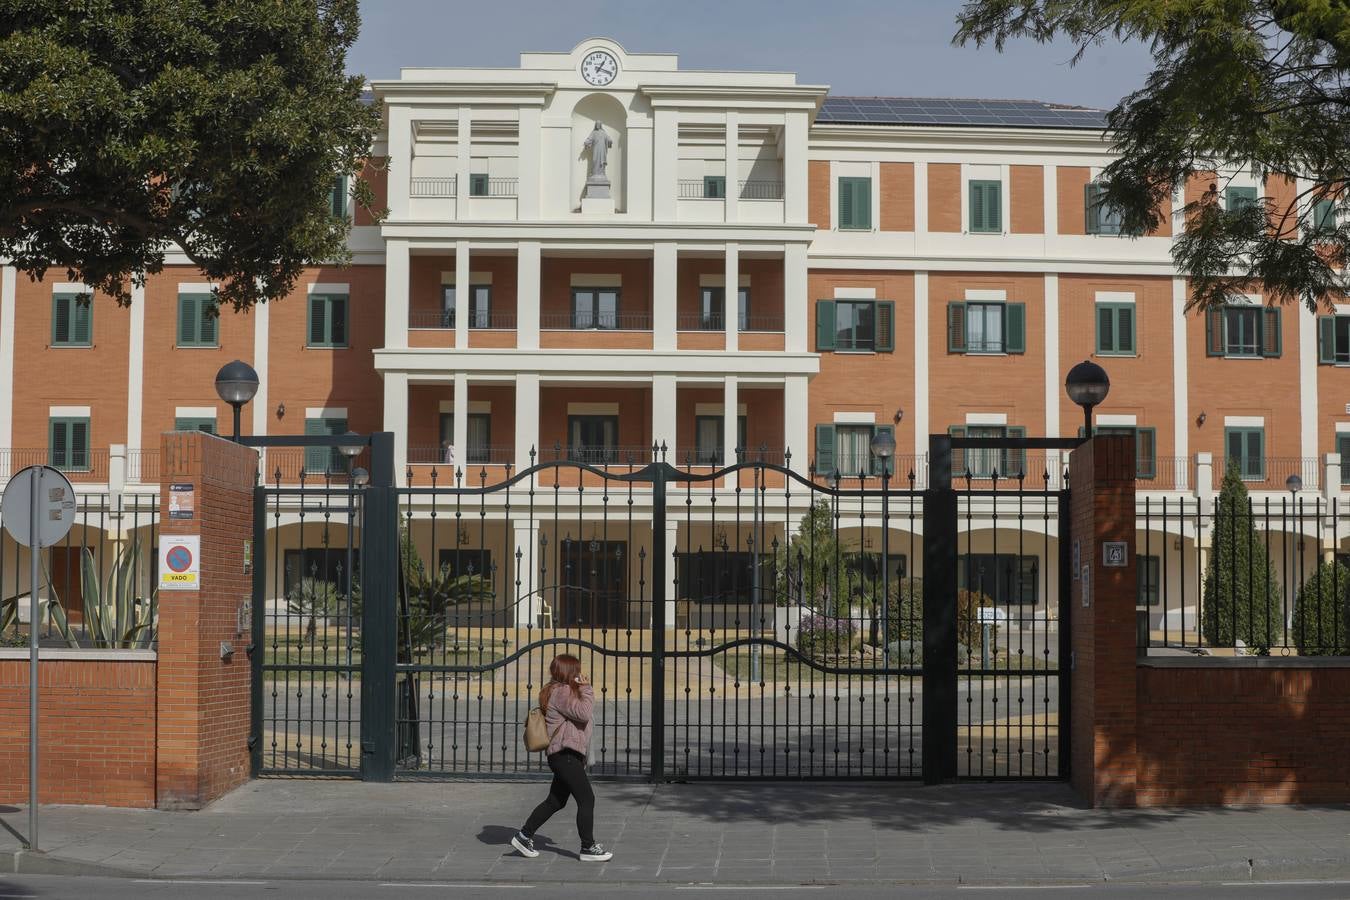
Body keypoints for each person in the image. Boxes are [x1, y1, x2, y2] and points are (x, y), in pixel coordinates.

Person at [511, 654, 612, 862]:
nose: (579, 674)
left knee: (555, 801)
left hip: (562, 756)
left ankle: (524, 835)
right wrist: (586, 688)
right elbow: (584, 713)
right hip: (565, 755)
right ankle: (588, 847)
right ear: (568, 672)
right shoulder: (562, 692)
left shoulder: (555, 690)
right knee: (587, 799)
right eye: (576, 670)